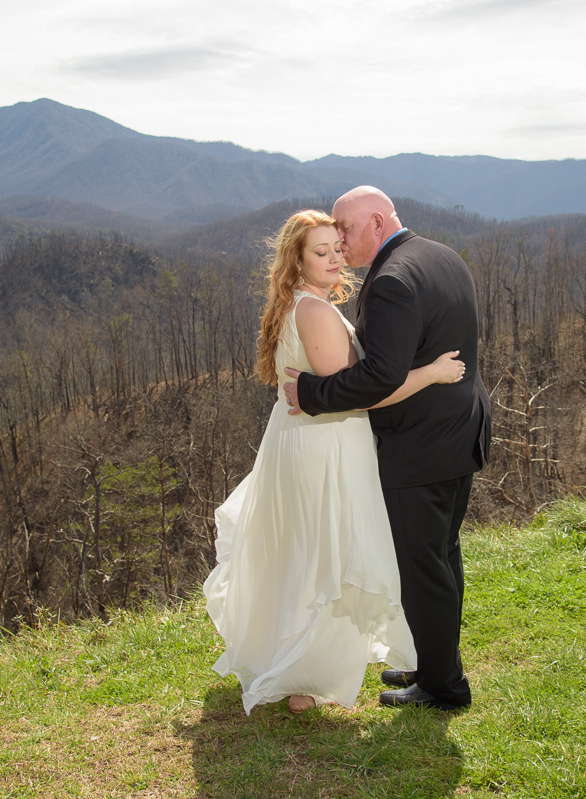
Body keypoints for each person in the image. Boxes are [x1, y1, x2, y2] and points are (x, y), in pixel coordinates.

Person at [203, 209, 466, 715]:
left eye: (336, 248)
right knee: (319, 554)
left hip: (305, 438)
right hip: (323, 443)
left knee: (305, 551)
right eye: (319, 252)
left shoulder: (302, 304)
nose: (334, 259)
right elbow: (360, 396)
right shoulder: (316, 312)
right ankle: (300, 672)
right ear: (296, 262)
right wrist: (431, 372)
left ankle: (295, 666)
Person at [284, 186, 491, 711]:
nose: (341, 240)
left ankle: (444, 688)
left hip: (419, 446)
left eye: (346, 229)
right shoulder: (442, 257)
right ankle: (434, 663)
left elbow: (379, 376)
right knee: (442, 558)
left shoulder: (393, 280)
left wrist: (310, 393)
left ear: (377, 221)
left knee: (425, 569)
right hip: (459, 431)